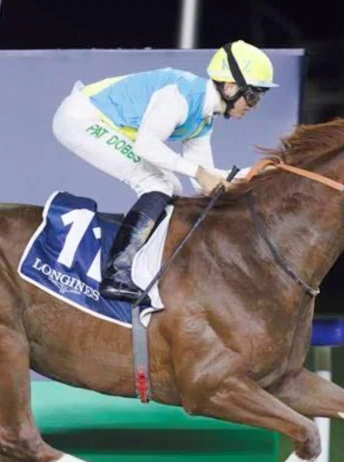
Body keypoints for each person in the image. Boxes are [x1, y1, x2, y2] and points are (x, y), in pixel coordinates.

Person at [52, 40, 278, 302]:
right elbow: (146, 146)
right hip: (81, 119)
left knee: (172, 187)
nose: (254, 105)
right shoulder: (180, 96)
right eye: (253, 96)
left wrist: (254, 174)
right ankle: (117, 274)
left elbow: (202, 179)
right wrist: (198, 172)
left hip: (102, 123)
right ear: (230, 87)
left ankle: (133, 264)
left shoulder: (204, 119)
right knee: (157, 184)